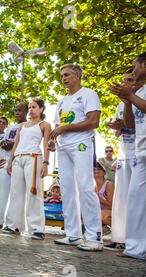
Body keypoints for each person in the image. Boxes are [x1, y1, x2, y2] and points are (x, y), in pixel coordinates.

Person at [49, 63, 103, 251]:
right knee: (67, 189)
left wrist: (65, 128)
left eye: (67, 74)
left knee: (85, 186)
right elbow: (58, 126)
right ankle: (73, 235)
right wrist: (53, 139)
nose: (63, 78)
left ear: (78, 75)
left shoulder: (89, 94)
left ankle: (95, 237)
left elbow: (93, 122)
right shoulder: (63, 101)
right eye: (62, 75)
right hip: (63, 147)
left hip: (81, 144)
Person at [110, 52, 146, 260]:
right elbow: (131, 125)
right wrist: (126, 100)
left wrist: (130, 96)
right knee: (135, 199)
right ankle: (135, 248)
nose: (133, 71)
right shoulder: (138, 92)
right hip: (140, 152)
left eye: (135, 66)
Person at [2, 98, 51, 240]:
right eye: (29, 107)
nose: (31, 109)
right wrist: (10, 162)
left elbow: (47, 144)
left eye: (34, 107)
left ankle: (37, 228)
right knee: (15, 192)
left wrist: (46, 163)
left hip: (34, 157)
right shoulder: (22, 125)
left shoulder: (44, 125)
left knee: (33, 191)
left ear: (41, 109)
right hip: (18, 158)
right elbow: (16, 144)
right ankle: (13, 225)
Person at [105, 69, 139, 251]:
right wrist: (117, 127)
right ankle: (120, 236)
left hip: (140, 152)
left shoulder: (141, 98)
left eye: (131, 80)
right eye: (125, 80)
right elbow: (120, 131)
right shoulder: (121, 104)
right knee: (122, 196)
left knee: (137, 196)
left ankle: (136, 238)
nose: (127, 84)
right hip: (125, 152)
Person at [0, 103, 28, 228]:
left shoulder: (27, 125)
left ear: (26, 112)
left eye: (20, 110)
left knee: (16, 193)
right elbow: (5, 141)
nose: (17, 113)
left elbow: (23, 143)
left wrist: (12, 144)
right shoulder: (11, 128)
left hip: (19, 161)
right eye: (15, 110)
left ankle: (14, 224)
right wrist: (4, 143)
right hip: (5, 161)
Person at [93, 163, 114, 228]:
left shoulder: (108, 185)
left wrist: (96, 197)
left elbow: (112, 206)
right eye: (94, 169)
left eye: (99, 169)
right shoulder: (92, 187)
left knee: (101, 215)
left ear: (104, 173)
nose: (96, 171)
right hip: (100, 212)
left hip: (112, 212)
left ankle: (118, 232)